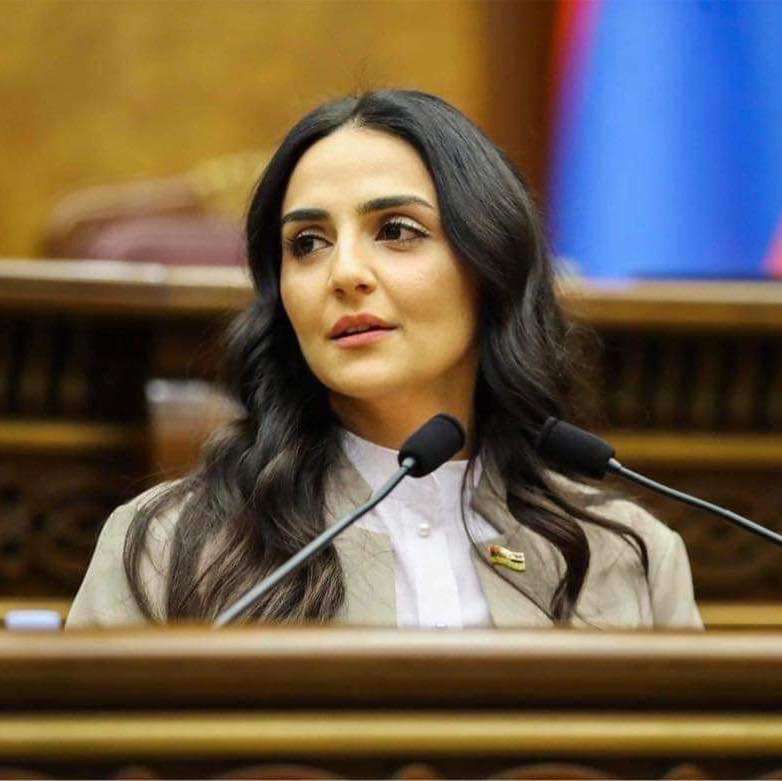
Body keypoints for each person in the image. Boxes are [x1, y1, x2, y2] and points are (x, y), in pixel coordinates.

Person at [66, 90, 702, 630]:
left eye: (397, 231)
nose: (344, 273)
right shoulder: (166, 547)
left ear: (491, 266)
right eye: (307, 243)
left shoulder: (626, 556)